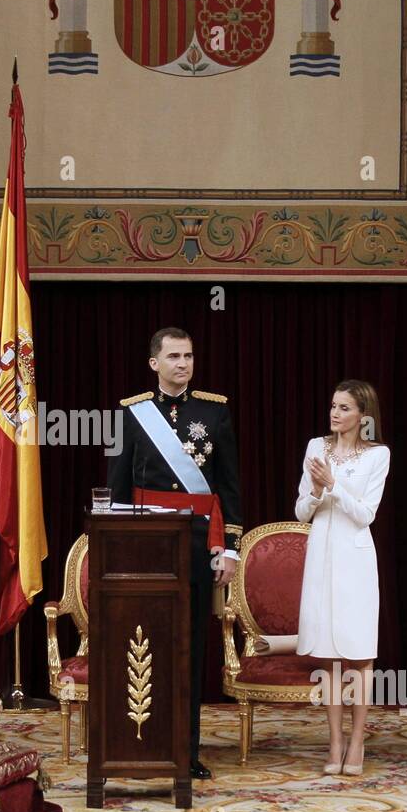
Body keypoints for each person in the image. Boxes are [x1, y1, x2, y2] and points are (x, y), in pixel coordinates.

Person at [107, 327, 243, 780]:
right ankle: (143, 743)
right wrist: (120, 549)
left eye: (188, 356)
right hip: (147, 547)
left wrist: (231, 550)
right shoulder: (132, 414)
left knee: (189, 649)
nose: (183, 363)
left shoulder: (214, 411)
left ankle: (186, 750)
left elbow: (228, 486)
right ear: (154, 363)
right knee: (146, 646)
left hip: (198, 544)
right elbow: (119, 487)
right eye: (173, 356)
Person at [295, 380, 390, 777]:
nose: (335, 414)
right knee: (330, 657)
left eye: (344, 408)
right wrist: (317, 491)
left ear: (362, 416)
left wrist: (334, 486)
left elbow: (366, 514)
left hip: (355, 557)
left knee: (359, 654)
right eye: (333, 406)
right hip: (321, 553)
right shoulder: (316, 448)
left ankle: (357, 742)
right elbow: (302, 511)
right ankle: (334, 742)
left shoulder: (377, 454)